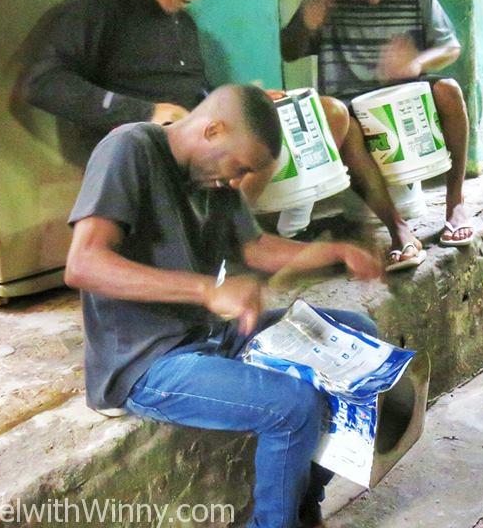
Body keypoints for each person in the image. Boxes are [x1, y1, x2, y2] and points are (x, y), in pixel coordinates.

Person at [64, 84, 384, 528]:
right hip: (144, 363)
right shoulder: (129, 148)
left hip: (210, 336)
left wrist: (333, 253)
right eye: (239, 169)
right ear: (213, 130)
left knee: (359, 338)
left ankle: (301, 503)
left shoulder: (213, 178)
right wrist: (206, 290)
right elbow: (83, 264)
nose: (237, 183)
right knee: (292, 405)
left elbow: (254, 250)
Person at [280, 0, 474, 271]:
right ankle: (399, 231)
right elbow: (289, 51)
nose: (372, 0)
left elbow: (451, 47)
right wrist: (307, 23)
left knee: (449, 91)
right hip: (349, 104)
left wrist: (418, 62)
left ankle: (455, 205)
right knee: (343, 122)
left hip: (402, 102)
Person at [22, 0, 216, 133]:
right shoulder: (101, 9)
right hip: (135, 153)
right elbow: (42, 83)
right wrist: (143, 113)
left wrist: (231, 105)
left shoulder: (184, 23)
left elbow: (195, 89)